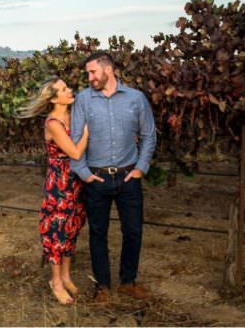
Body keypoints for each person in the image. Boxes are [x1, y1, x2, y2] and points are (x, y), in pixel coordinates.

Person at [70, 51, 156, 303]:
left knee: (133, 231)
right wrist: (84, 173)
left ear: (108, 69)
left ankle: (128, 282)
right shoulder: (84, 100)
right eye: (88, 73)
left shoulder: (136, 99)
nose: (89, 77)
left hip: (129, 176)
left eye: (92, 72)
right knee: (98, 233)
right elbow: (76, 138)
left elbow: (149, 135)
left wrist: (140, 167)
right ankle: (102, 287)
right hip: (96, 179)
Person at [20, 76, 89, 305]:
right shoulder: (53, 123)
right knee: (57, 231)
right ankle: (56, 282)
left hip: (76, 180)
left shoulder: (71, 116)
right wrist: (88, 130)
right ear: (52, 98)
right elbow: (76, 153)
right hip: (60, 183)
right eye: (64, 89)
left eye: (68, 86)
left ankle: (67, 277)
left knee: (71, 228)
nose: (70, 90)